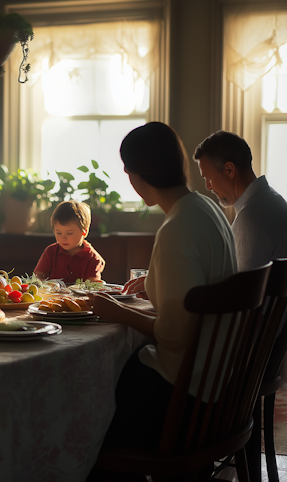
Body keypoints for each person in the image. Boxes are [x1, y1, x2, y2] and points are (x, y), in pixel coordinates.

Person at [91, 122, 237, 456]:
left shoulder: (176, 229)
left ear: (137, 176)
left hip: (185, 390)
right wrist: (157, 279)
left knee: (97, 415)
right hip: (218, 380)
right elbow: (199, 281)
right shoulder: (207, 208)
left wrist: (117, 311)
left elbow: (173, 334)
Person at [194, 130, 287, 271]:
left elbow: (243, 289)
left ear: (229, 170)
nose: (208, 187)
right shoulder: (274, 200)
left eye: (209, 178)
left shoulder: (252, 216)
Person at [34, 200, 105, 283]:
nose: (63, 238)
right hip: (52, 295)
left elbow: (93, 284)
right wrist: (43, 282)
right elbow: (39, 275)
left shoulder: (93, 258)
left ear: (84, 232)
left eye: (69, 233)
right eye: (58, 233)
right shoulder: (51, 252)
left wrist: (95, 283)